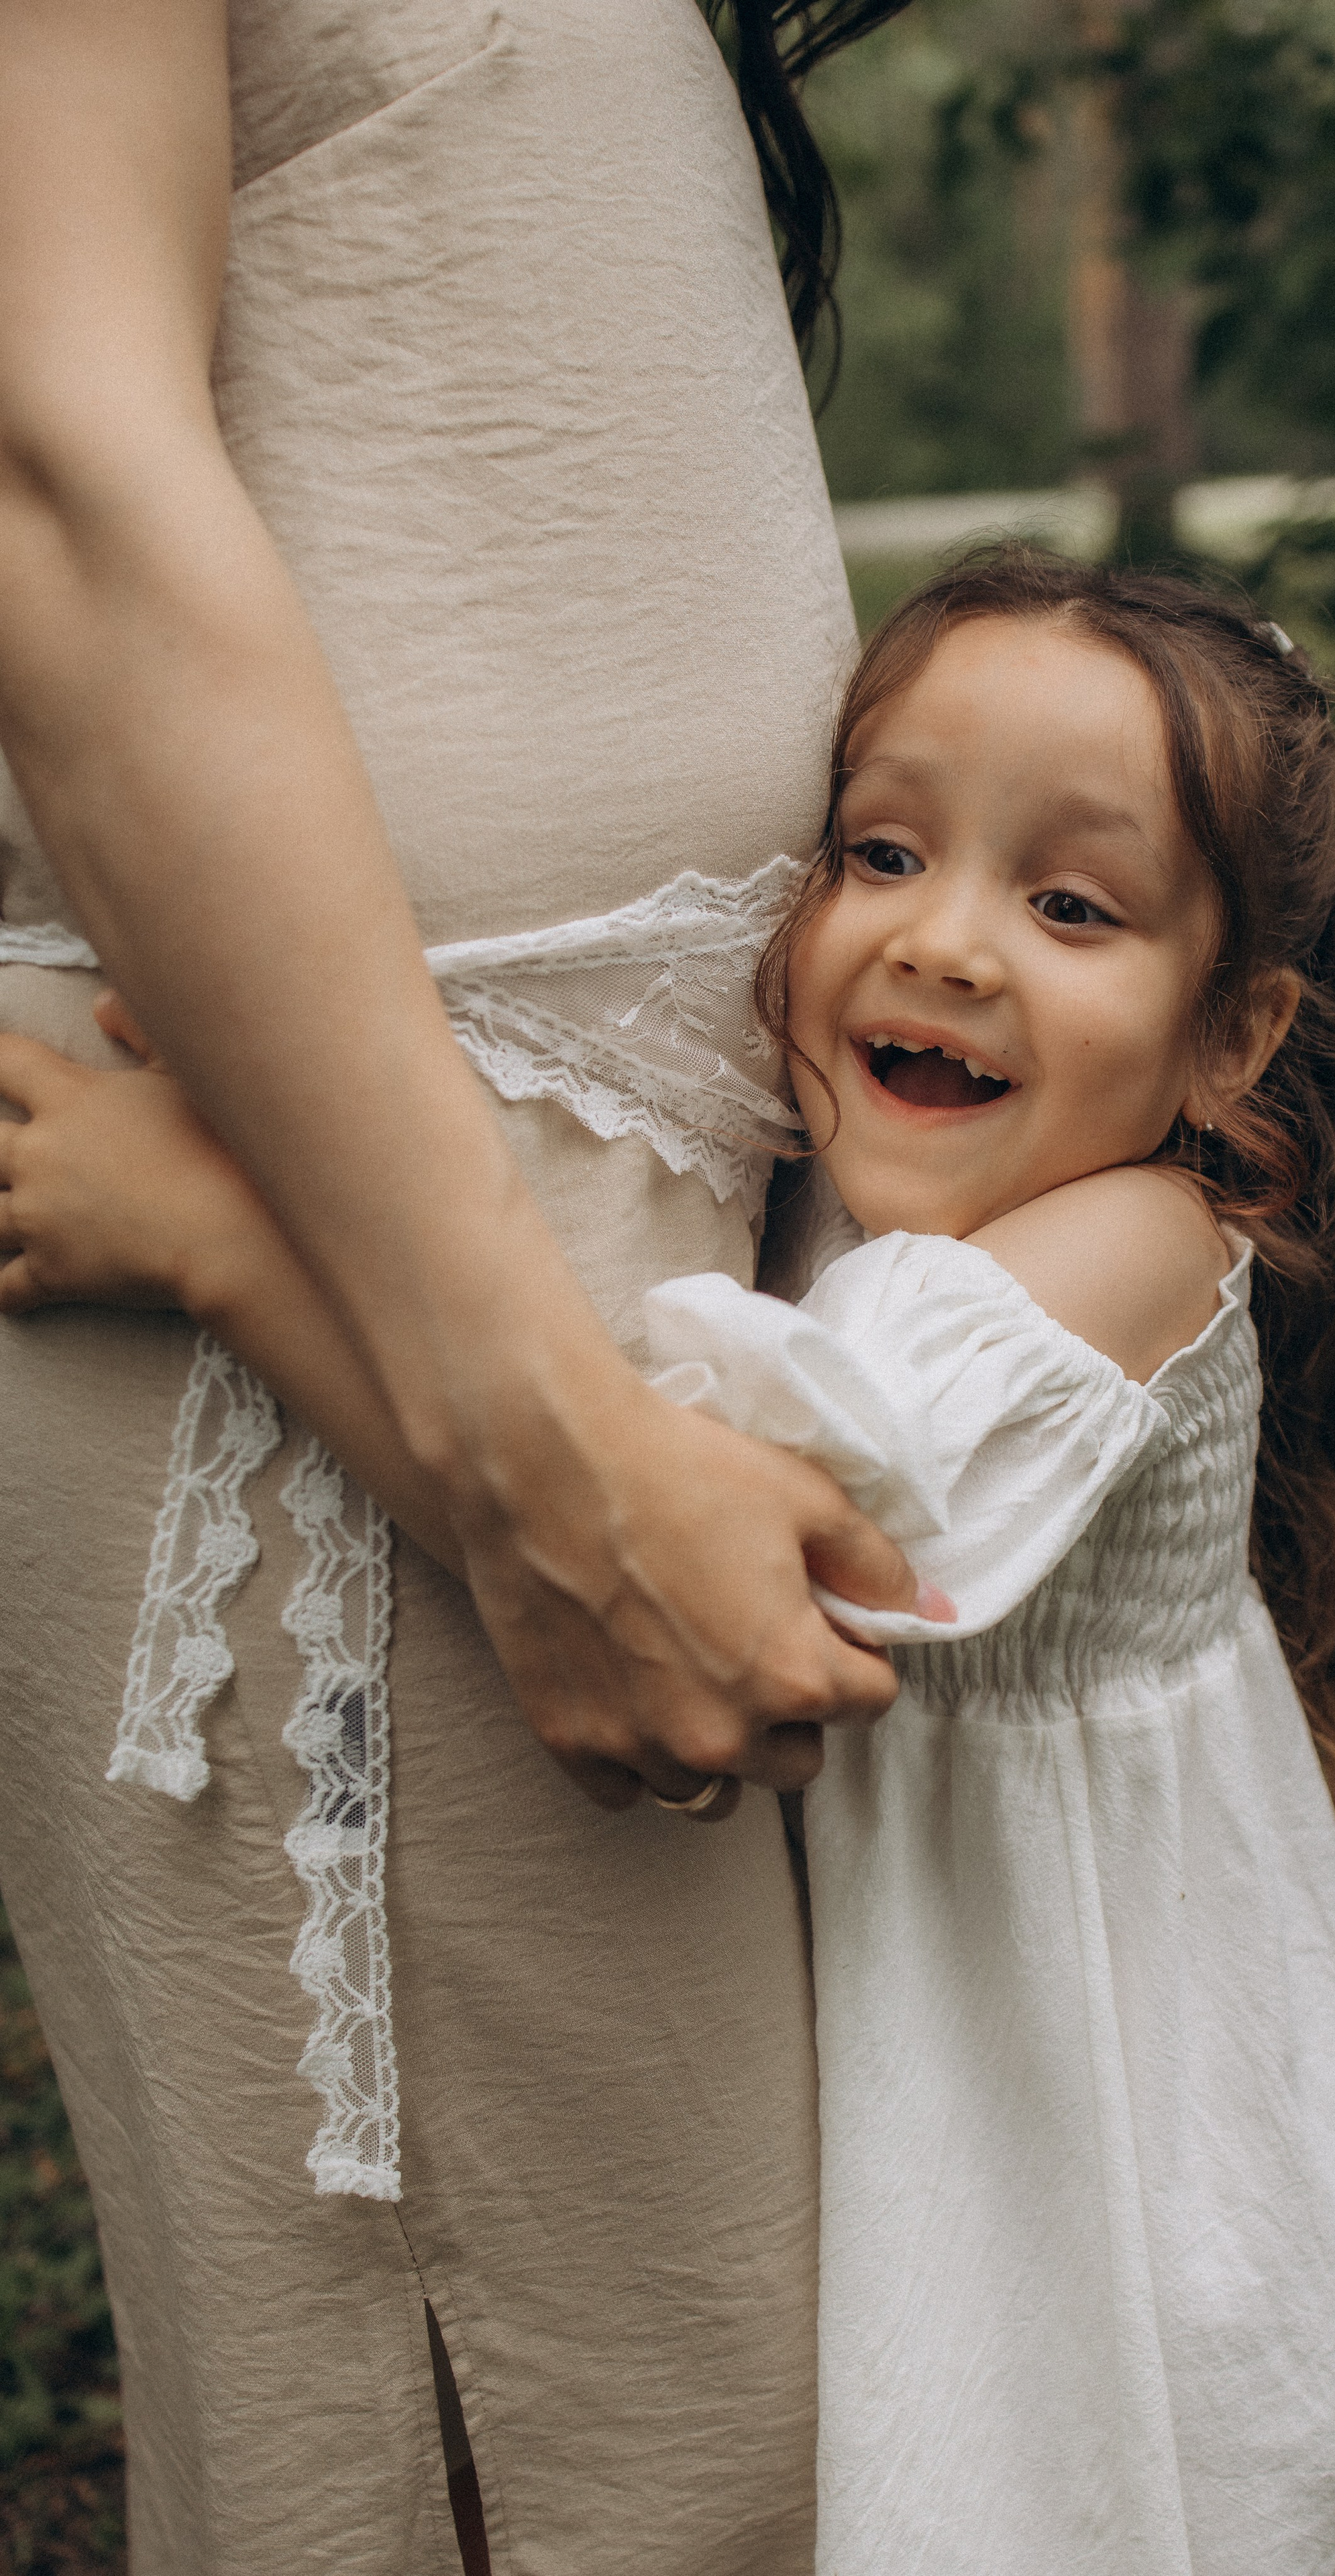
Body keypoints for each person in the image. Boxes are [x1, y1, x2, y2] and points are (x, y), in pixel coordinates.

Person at [0, 549, 1335, 2574]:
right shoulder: (841, 1193)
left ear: (1232, 1037)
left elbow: (707, 1546)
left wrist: (229, 1236)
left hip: (1101, 2136)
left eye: (1071, 905)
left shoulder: (1135, 1252)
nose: (948, 944)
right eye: (883, 851)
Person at [0, 5, 920, 2571]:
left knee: (718, 2426)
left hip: (566, 1247)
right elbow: (53, 471)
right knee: (515, 2469)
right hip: (341, 1268)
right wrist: (529, 1455)